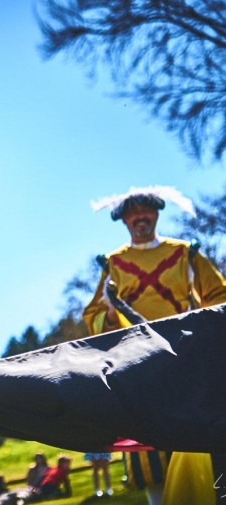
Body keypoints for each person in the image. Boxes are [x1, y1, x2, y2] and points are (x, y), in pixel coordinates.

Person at [83, 185, 226, 505]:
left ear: (157, 214)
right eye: (133, 215)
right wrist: (107, 311)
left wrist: (201, 331)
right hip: (139, 361)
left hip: (188, 354)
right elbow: (93, 314)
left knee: (199, 431)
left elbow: (219, 296)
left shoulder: (184, 253)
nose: (140, 219)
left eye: (145, 212)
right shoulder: (112, 263)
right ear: (124, 221)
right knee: (147, 441)